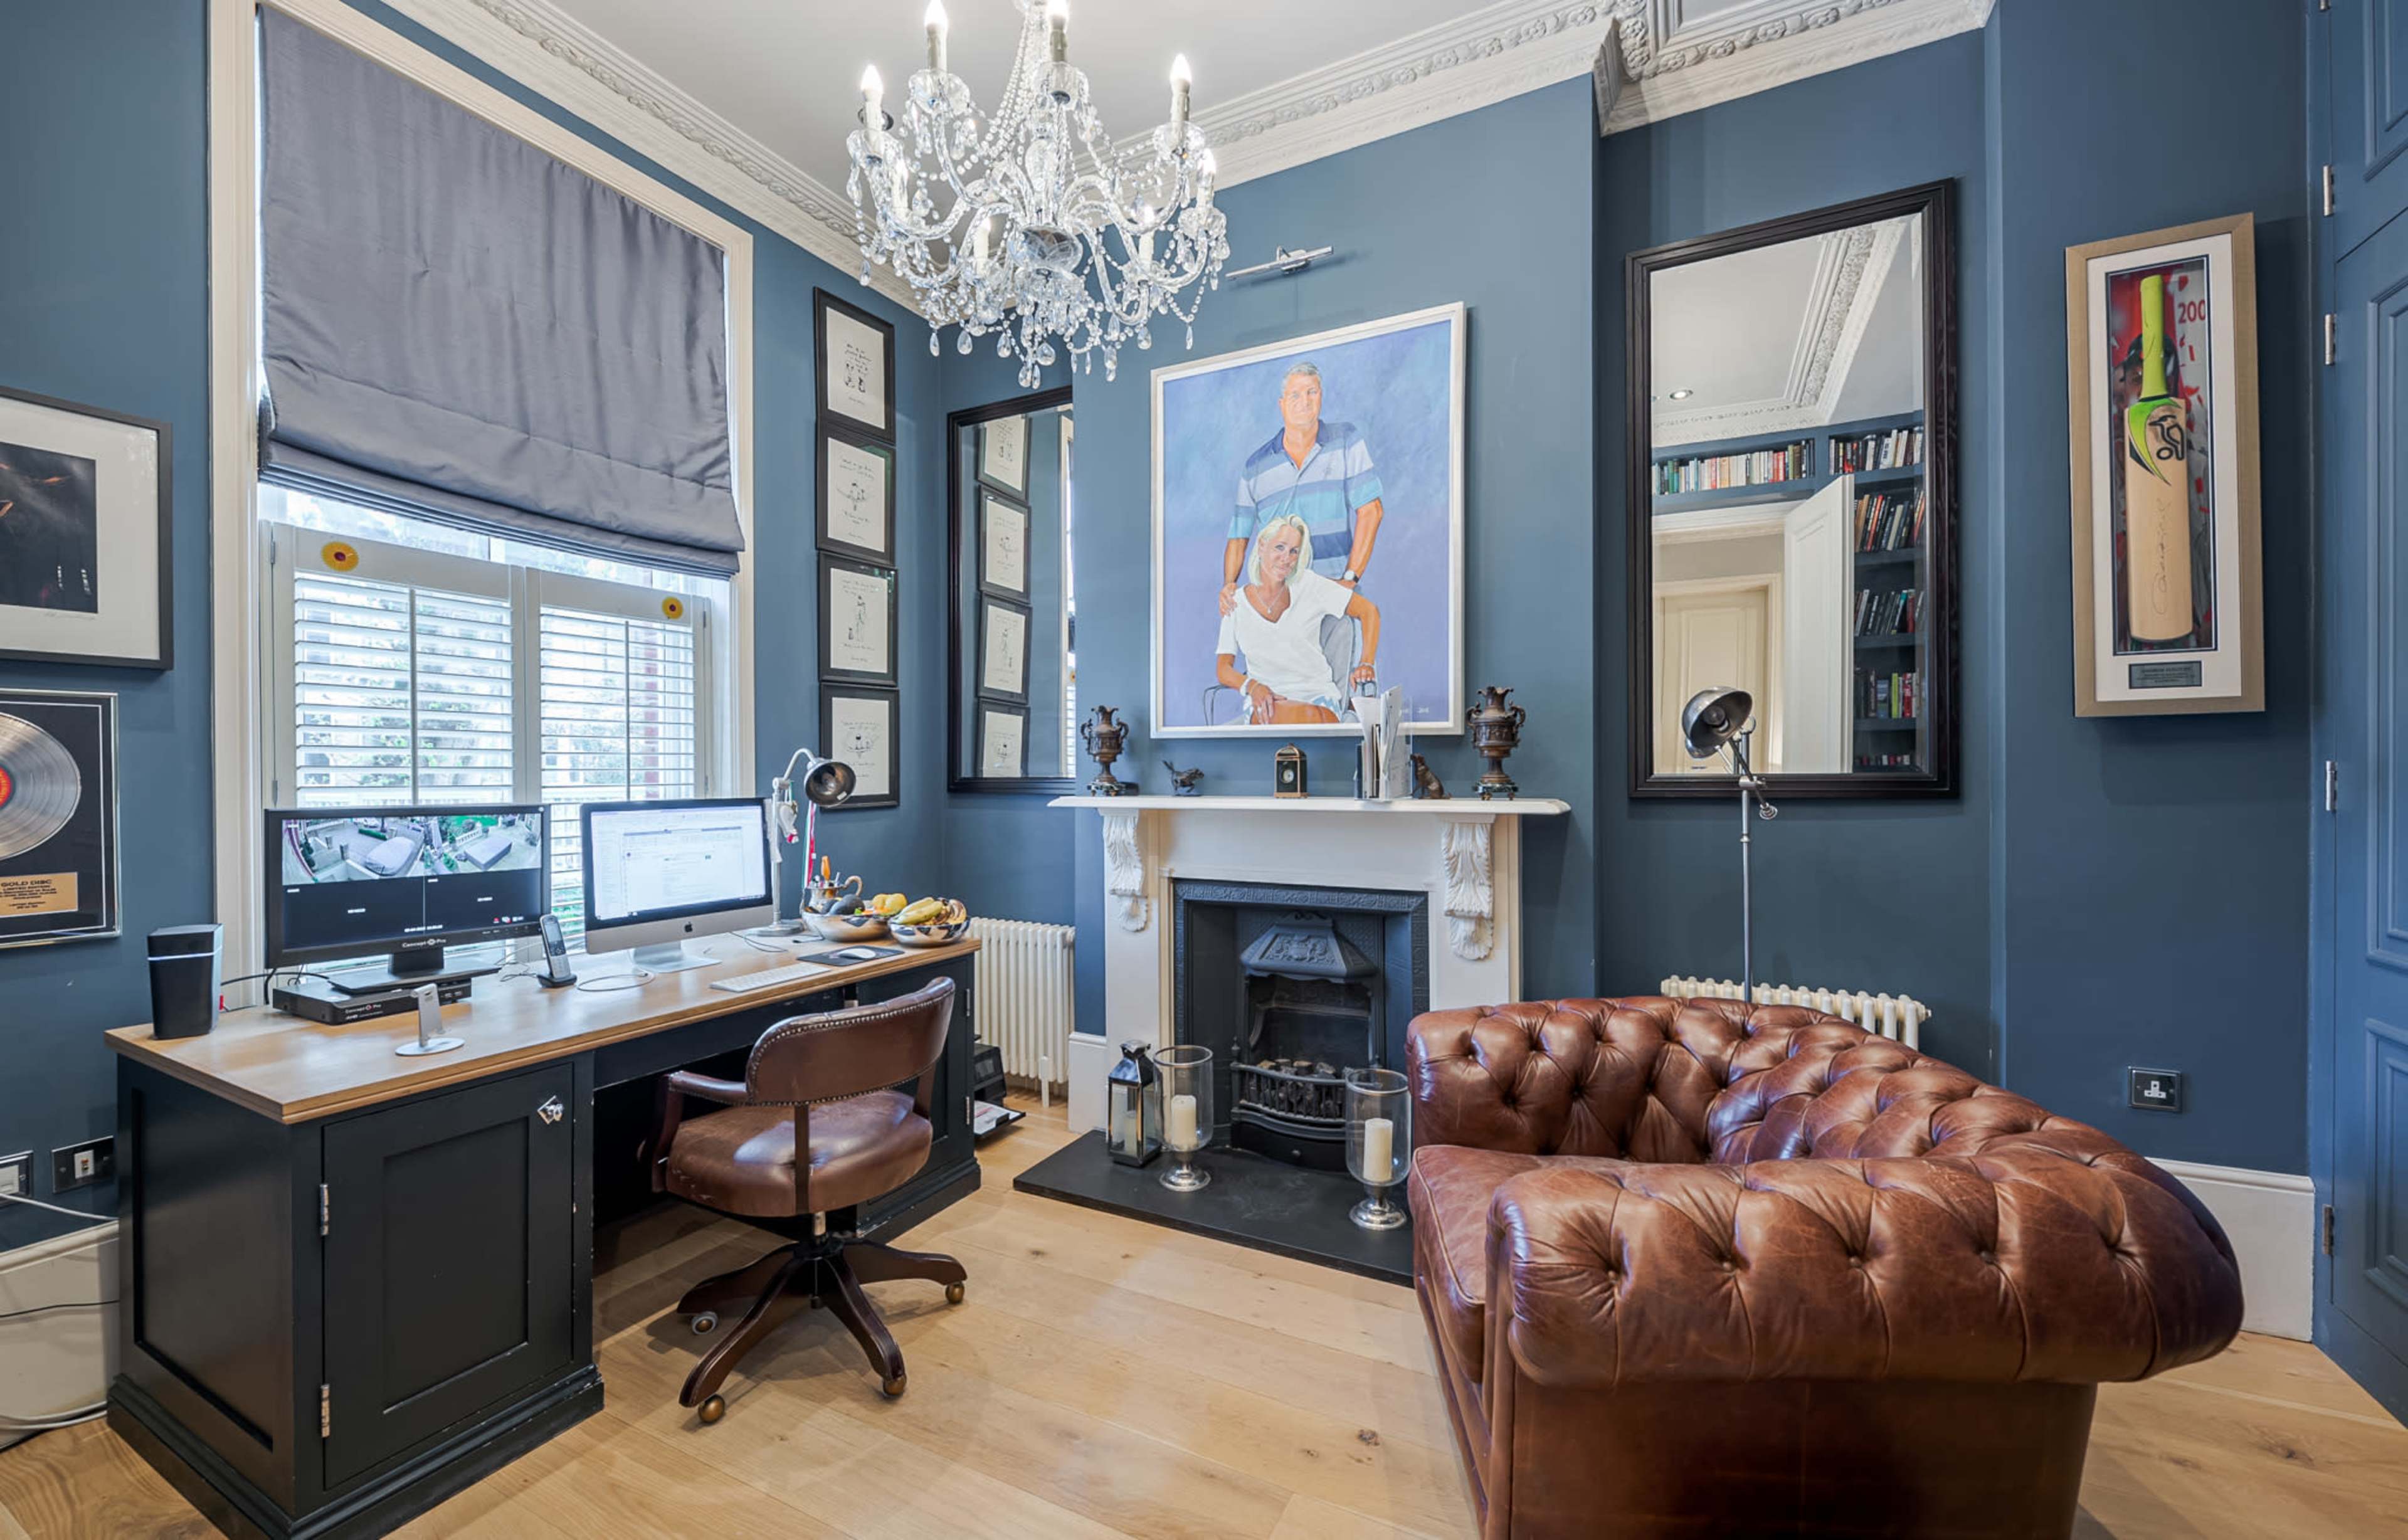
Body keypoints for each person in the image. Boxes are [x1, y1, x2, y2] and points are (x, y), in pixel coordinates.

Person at [1219, 361, 1384, 618]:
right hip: (1276, 607)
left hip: (1335, 598)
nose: (1304, 401)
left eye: (1312, 392)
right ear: (1282, 404)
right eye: (1295, 395)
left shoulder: (1345, 441)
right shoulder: (1256, 466)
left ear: (1321, 396)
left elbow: (1371, 511)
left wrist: (1349, 580)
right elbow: (1239, 536)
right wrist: (1229, 584)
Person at [1214, 513, 1380, 725]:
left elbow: (1369, 611)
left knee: (1305, 720)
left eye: (1294, 551)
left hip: (1317, 698)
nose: (1287, 559)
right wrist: (1253, 687)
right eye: (1280, 548)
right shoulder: (1234, 602)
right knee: (1276, 718)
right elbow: (1223, 669)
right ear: (1262, 546)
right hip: (1264, 700)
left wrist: (1366, 663)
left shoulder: (1309, 585)